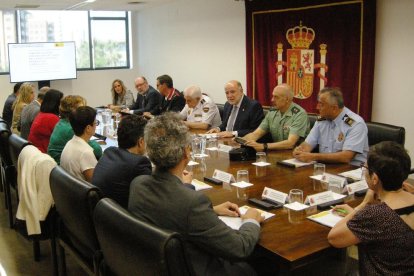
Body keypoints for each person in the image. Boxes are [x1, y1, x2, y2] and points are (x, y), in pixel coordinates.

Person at [128, 112, 263, 275]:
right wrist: (250, 221)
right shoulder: (192, 203)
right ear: (186, 152)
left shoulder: (138, 184)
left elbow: (170, 210)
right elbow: (240, 248)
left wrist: (211, 210)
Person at [328, 141, 414, 275]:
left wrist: (363, 205)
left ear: (374, 179)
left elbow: (334, 238)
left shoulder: (375, 214)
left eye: (365, 168)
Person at [293, 87, 369, 166]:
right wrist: (300, 150)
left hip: (351, 170)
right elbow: (308, 143)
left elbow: (346, 157)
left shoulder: (355, 124)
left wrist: (313, 156)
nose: (317, 107)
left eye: (321, 104)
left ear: (334, 108)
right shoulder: (322, 120)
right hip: (327, 168)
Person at [92, 115, 152, 208]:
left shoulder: (109, 152)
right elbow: (151, 197)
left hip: (101, 213)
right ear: (141, 142)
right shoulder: (139, 163)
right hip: (121, 218)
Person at [243, 84, 309, 151]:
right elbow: (256, 134)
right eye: (273, 96)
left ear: (287, 99)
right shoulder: (272, 112)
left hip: (295, 155)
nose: (272, 100)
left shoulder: (299, 114)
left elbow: (290, 143)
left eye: (276, 97)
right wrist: (241, 141)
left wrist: (264, 146)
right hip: (276, 152)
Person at [48, 95, 102, 164]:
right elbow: (97, 150)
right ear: (75, 112)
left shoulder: (62, 123)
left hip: (60, 167)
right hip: (63, 168)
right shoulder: (70, 129)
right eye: (82, 108)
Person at [60, 106, 98, 182]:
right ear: (88, 128)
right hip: (80, 192)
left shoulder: (70, 143)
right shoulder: (86, 152)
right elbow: (95, 183)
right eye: (95, 123)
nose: (96, 126)